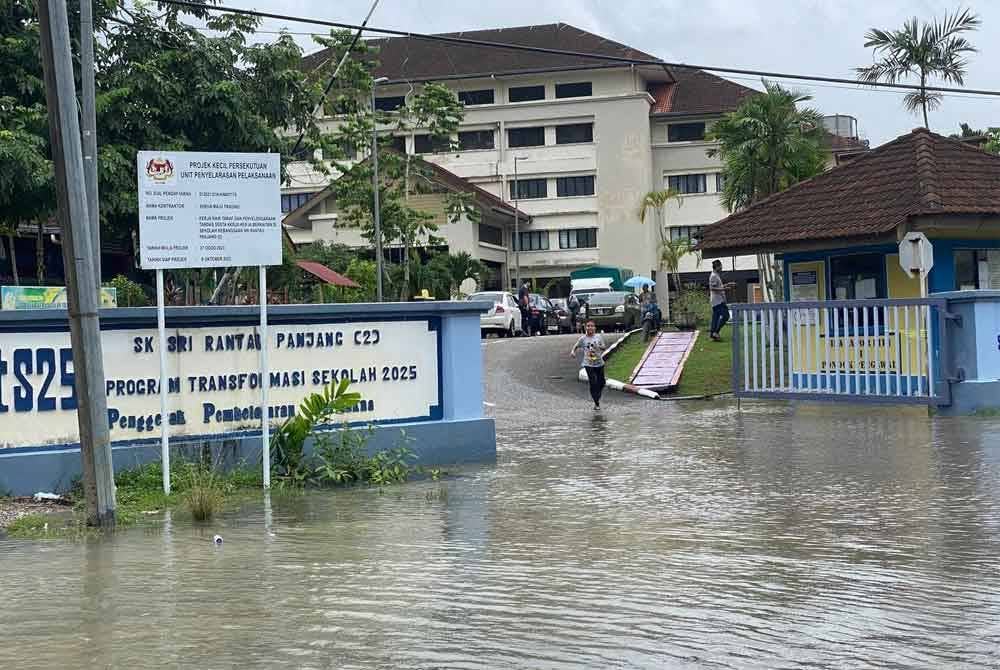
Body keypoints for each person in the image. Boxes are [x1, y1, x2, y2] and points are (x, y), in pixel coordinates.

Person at [571, 320, 607, 410]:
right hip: (588, 363)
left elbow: (604, 347)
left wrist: (599, 347)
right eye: (588, 326)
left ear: (595, 328)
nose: (590, 328)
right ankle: (596, 402)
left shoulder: (598, 337)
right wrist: (572, 352)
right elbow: (576, 345)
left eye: (592, 326)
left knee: (602, 382)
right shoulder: (583, 339)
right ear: (585, 327)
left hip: (599, 363)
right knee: (593, 382)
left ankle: (597, 395)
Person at [708, 259, 733, 341]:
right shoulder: (713, 276)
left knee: (715, 317)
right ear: (717, 267)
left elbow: (718, 286)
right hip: (717, 301)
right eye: (720, 266)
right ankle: (715, 332)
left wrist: (727, 285)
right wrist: (724, 289)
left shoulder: (716, 275)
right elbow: (712, 288)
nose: (721, 267)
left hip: (717, 300)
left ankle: (713, 334)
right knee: (726, 316)